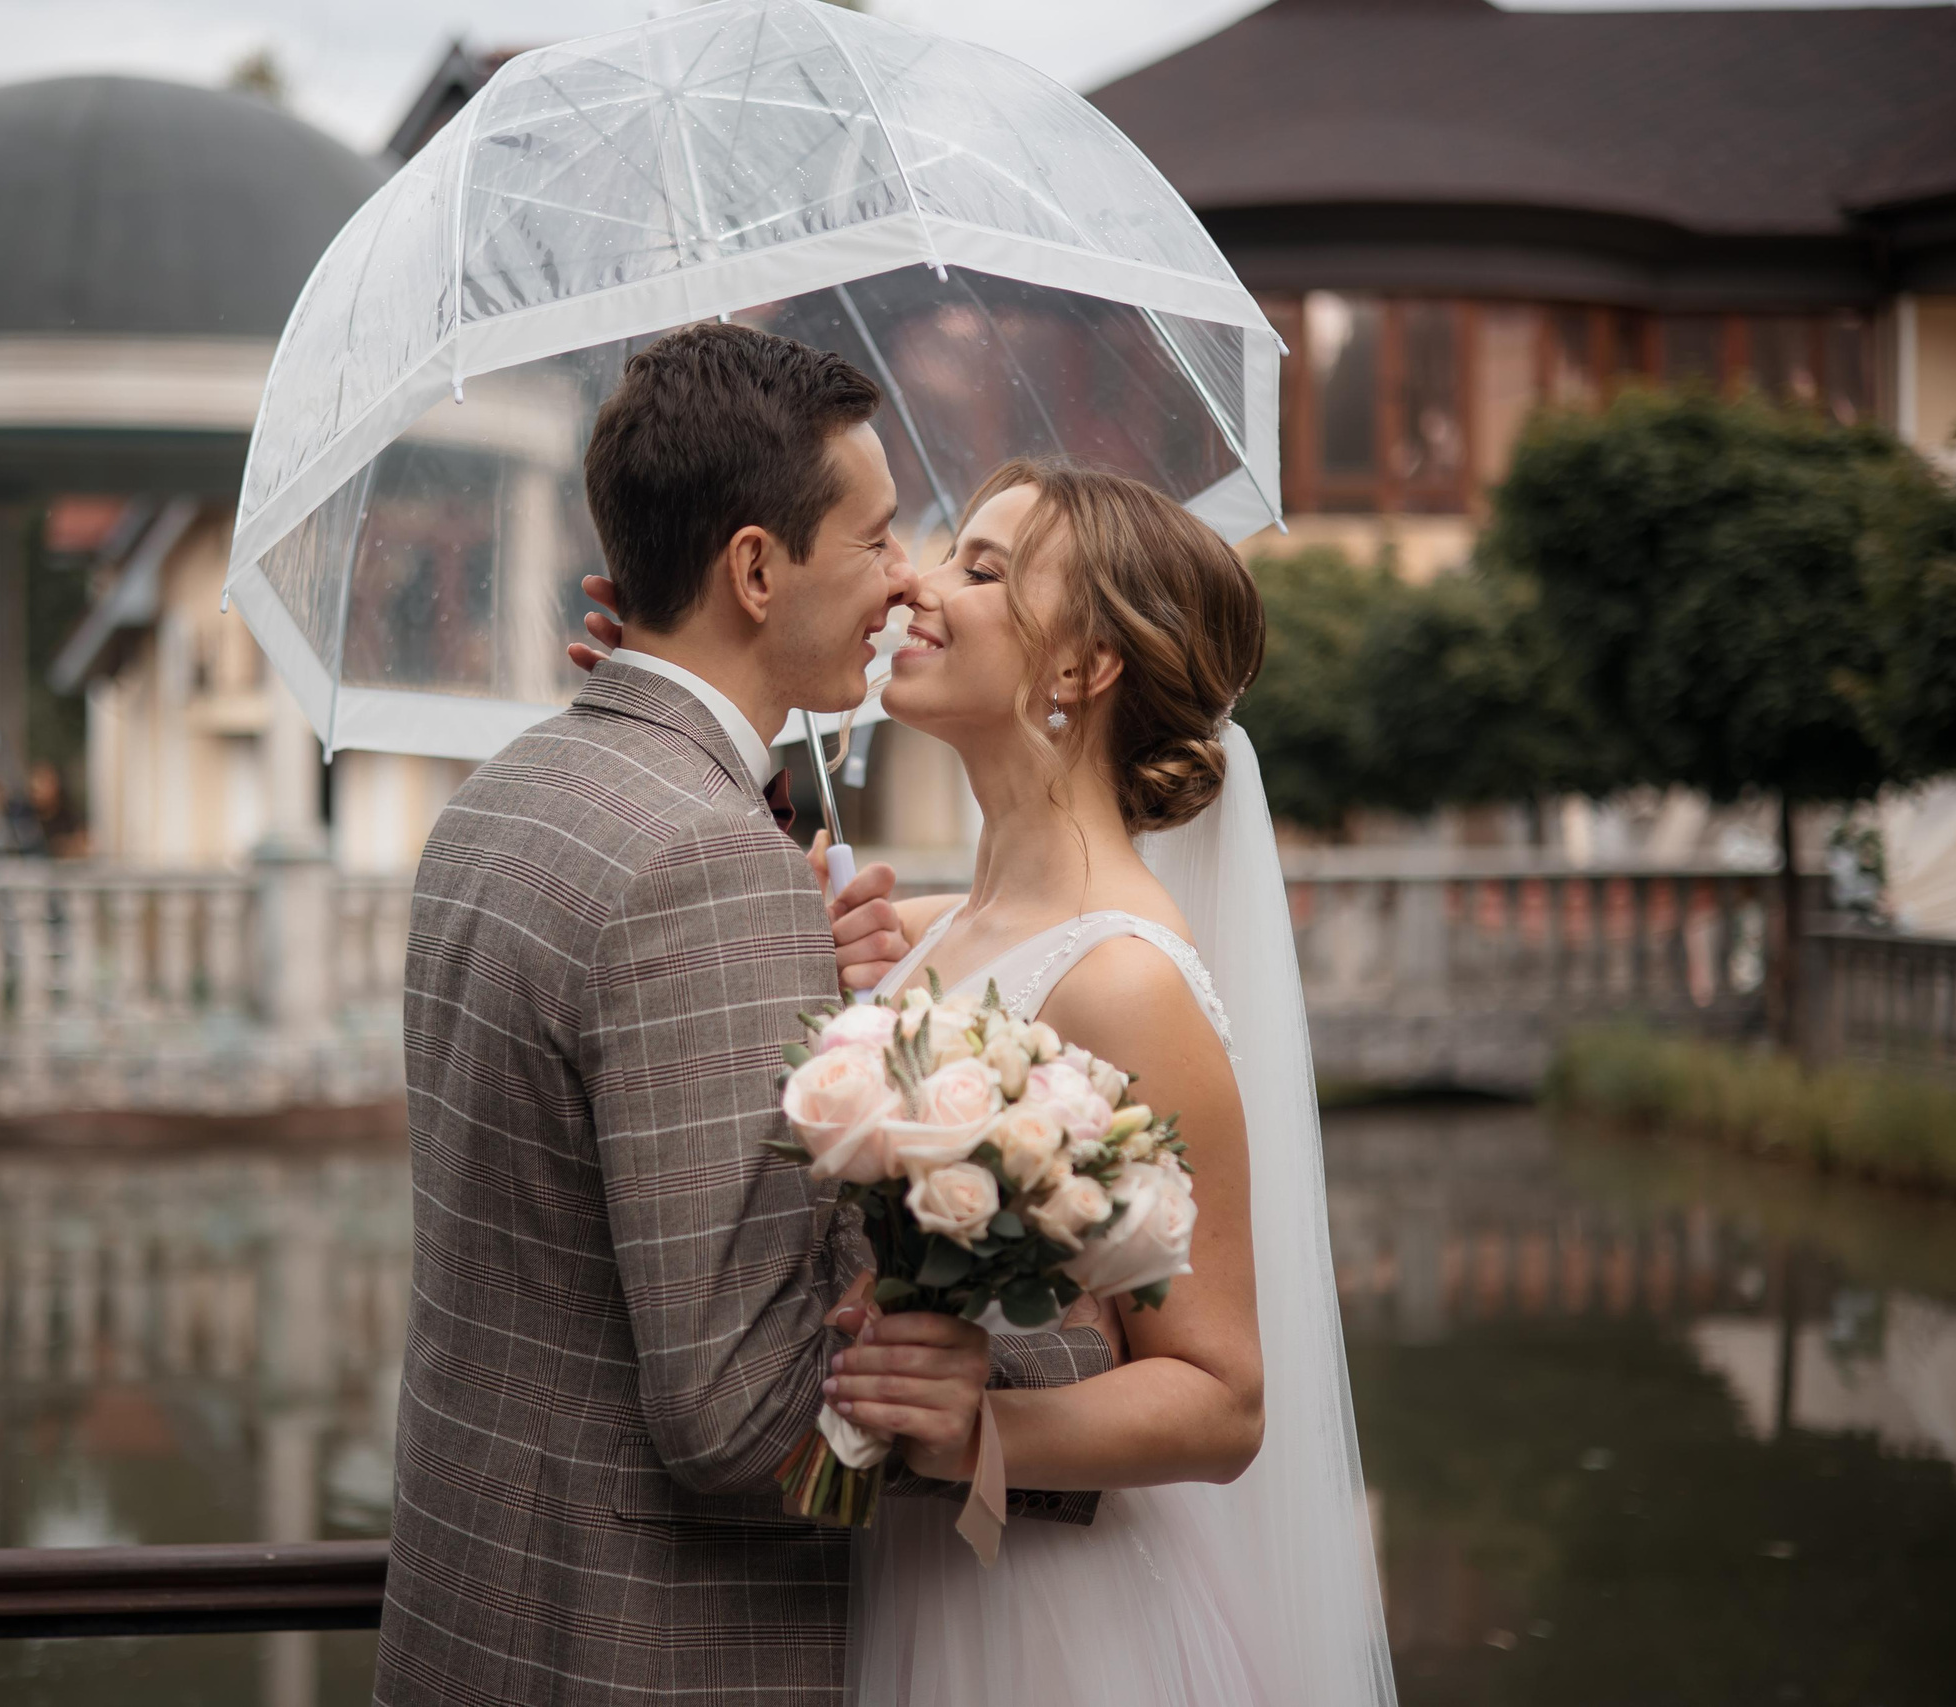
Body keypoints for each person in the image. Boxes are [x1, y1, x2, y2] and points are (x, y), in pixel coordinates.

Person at [578, 458, 1396, 1706]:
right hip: (899, 1584)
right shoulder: (928, 930)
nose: (914, 583)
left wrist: (982, 1428)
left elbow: (1223, 1401)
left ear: (1079, 670)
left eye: (981, 567)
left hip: (1047, 1623)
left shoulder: (1126, 978)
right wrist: (675, 678)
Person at [376, 325, 1113, 1707]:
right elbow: (730, 1406)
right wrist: (1060, 1338)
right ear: (758, 568)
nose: (908, 577)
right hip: (650, 1646)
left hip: (476, 1605)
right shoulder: (710, 870)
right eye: (881, 535)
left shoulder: (504, 796)